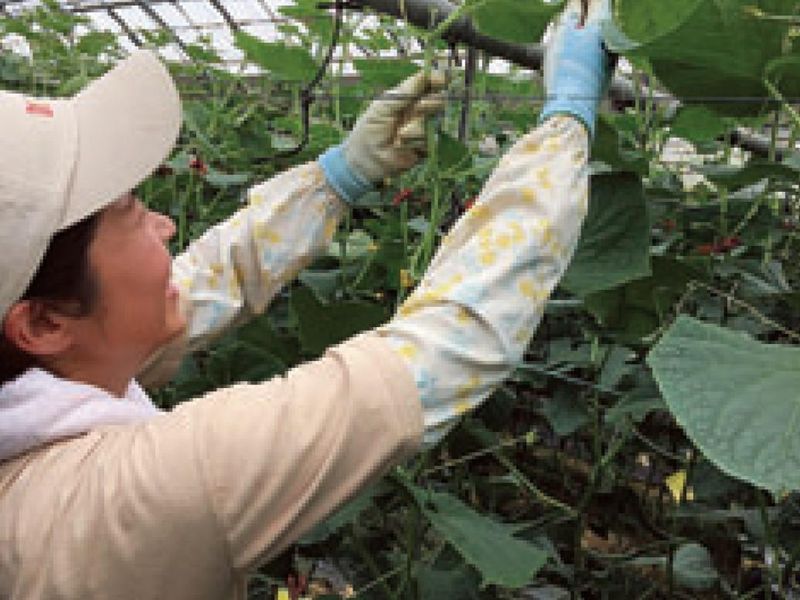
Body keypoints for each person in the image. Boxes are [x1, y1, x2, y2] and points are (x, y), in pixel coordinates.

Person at [0, 1, 613, 597]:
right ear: (44, 324)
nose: (164, 225)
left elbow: (208, 281)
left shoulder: (40, 388)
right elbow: (444, 352)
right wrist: (565, 124)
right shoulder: (135, 497)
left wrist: (340, 175)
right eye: (131, 212)